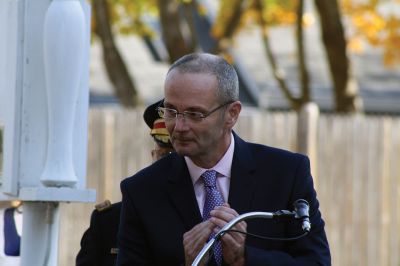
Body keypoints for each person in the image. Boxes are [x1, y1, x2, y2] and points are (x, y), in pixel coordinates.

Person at [117, 53, 331, 266]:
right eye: (171, 111)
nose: (179, 126)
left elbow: (317, 262)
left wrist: (245, 258)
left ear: (232, 114)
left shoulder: (285, 174)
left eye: (195, 114)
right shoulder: (141, 191)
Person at [75, 100, 174, 266]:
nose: (167, 165)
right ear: (153, 156)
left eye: (175, 157)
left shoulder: (207, 217)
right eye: (163, 155)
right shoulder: (109, 221)